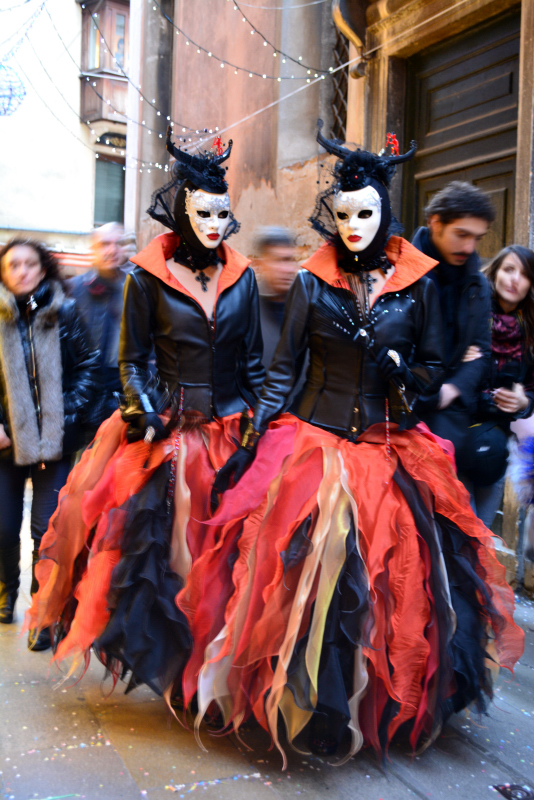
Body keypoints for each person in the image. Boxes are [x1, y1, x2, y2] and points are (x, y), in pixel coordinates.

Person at [179, 126, 523, 767]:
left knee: (396, 585)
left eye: (365, 214)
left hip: (389, 447)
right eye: (343, 216)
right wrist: (255, 434)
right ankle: (321, 708)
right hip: (318, 446)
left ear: (384, 212)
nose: (354, 227)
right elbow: (284, 369)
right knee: (318, 585)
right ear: (330, 217)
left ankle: (383, 705)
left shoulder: (417, 283)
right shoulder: (311, 281)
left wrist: (404, 373)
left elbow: (433, 367)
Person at [25, 131, 265, 697]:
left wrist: (259, 419)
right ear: (182, 212)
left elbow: (254, 362)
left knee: (227, 559)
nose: (215, 224)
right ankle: (176, 666)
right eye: (203, 213)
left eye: (223, 213)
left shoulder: (244, 276)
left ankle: (213, 668)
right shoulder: (145, 276)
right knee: (162, 554)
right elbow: (131, 360)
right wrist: (143, 411)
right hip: (170, 431)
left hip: (230, 432)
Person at [0, 238, 98, 650]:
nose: (22, 271)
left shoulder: (65, 311)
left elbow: (89, 366)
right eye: (13, 265)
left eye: (30, 264)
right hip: (5, 445)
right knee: (4, 528)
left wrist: (62, 415)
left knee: (47, 531)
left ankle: (43, 613)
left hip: (53, 443)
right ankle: (7, 590)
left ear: (43, 270)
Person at [411, 181, 495, 473]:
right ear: (436, 223)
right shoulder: (399, 271)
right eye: (461, 234)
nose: (469, 247)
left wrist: (452, 388)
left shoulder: (477, 283)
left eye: (477, 238)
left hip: (448, 411)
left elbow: (482, 352)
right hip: (398, 407)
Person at [461, 245, 534, 527]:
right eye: (509, 269)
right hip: (455, 435)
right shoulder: (470, 313)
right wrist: (459, 360)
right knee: (461, 532)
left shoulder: (529, 330)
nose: (515, 280)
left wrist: (524, 402)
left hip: (496, 443)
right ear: (495, 273)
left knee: (482, 532)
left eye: (524, 275)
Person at [69, 222, 127, 444]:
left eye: (118, 243)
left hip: (120, 389)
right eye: (104, 244)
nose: (112, 250)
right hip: (82, 390)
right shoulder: (72, 289)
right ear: (92, 248)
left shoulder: (136, 287)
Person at [253, 226, 298, 370]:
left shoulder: (310, 307)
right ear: (260, 265)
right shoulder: (246, 311)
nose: (287, 269)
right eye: (278, 260)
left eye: (290, 260)